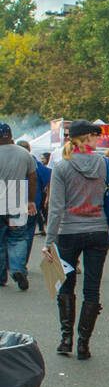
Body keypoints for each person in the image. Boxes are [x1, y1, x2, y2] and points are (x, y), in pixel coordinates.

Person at [43, 121, 109, 356]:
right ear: (88, 138)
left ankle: (66, 338)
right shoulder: (105, 164)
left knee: (66, 283)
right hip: (98, 230)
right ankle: (84, 343)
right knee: (92, 288)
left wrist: (48, 240)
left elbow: (56, 207)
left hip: (68, 232)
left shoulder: (61, 167)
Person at [0, 122, 37, 289]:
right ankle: (17, 269)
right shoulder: (24, 154)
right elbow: (33, 177)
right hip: (17, 202)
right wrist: (30, 200)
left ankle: (1, 276)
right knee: (18, 239)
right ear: (10, 135)